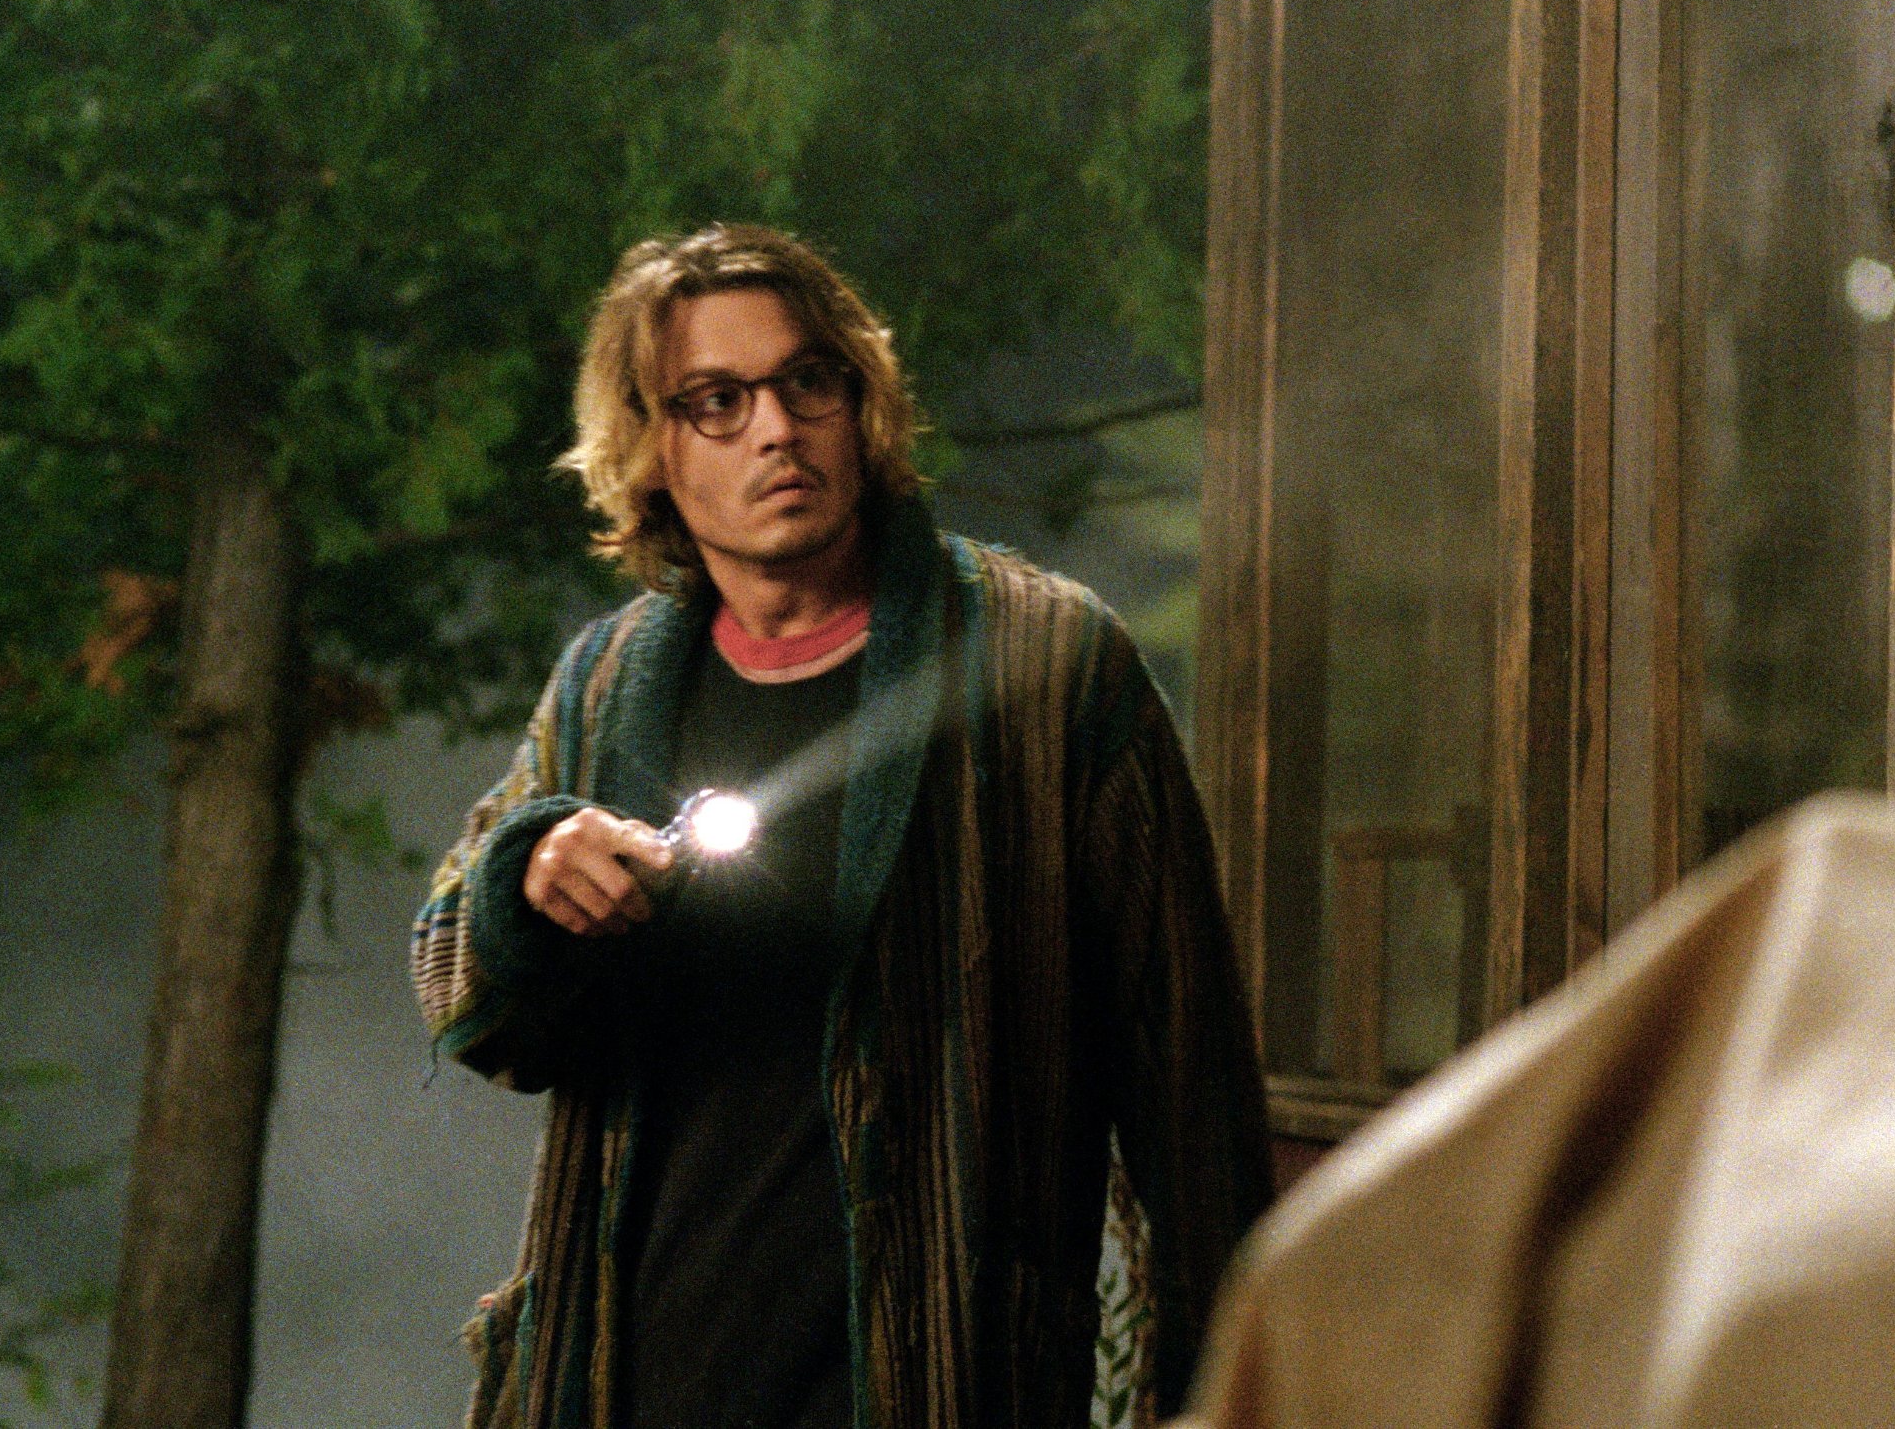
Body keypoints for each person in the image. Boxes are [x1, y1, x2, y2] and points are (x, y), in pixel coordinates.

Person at [411, 224, 1272, 1429]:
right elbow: (464, 995)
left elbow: (1190, 1096)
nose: (775, 427)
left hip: (938, 1378)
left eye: (806, 380)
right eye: (717, 400)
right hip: (629, 1376)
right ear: (652, 446)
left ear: (860, 401)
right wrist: (529, 878)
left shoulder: (1048, 666)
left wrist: (1217, 1396)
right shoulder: (605, 685)